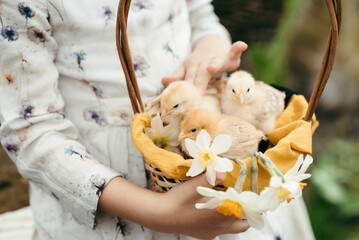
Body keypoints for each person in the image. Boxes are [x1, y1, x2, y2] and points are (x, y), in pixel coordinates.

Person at [0, 0, 315, 239]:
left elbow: (201, 15)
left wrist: (210, 48)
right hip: (113, 190)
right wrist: (160, 212)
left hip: (201, 145)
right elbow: (31, 131)